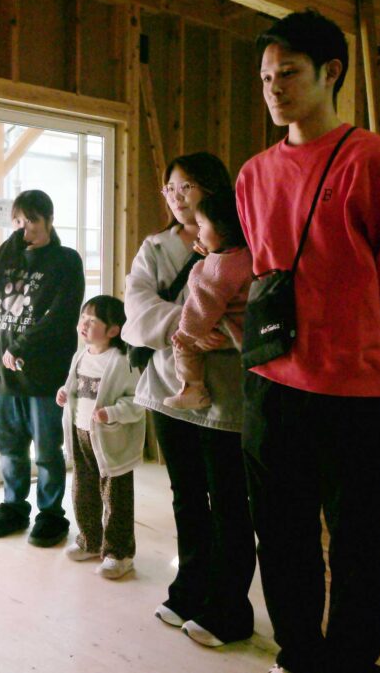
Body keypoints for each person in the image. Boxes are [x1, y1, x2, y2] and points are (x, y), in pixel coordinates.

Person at [237, 9, 380, 673]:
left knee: (356, 547)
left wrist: (369, 348)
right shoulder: (253, 175)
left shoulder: (378, 162)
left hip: (353, 394)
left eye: (288, 73)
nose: (273, 88)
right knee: (281, 537)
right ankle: (300, 655)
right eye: (266, 77)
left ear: (331, 72)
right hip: (270, 385)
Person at [122, 152, 256, 649]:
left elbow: (259, 303)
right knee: (186, 495)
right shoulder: (155, 247)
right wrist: (195, 327)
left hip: (227, 393)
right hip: (167, 387)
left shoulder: (246, 241)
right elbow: (137, 311)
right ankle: (190, 590)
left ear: (213, 189)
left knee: (229, 500)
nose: (177, 197)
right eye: (171, 189)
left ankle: (230, 608)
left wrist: (218, 326)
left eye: (188, 187)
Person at [0, 189, 85, 548]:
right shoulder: (11, 257)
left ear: (50, 220)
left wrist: (21, 346)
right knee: (9, 446)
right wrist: (13, 242)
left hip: (44, 373)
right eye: (18, 221)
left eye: (32, 221)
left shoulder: (66, 260)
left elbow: (62, 315)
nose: (25, 228)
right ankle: (13, 507)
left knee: (48, 450)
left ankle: (51, 514)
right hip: (4, 374)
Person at [56, 295, 144, 579]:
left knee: (116, 498)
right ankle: (90, 540)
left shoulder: (122, 361)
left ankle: (120, 554)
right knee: (83, 490)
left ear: (113, 330)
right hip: (81, 435)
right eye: (83, 318)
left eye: (93, 321)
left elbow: (138, 401)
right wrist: (63, 394)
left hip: (111, 443)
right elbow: (74, 389)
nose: (84, 324)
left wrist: (112, 413)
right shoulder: (80, 356)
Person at [162, 193, 252, 411]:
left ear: (221, 229)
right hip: (245, 325)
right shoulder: (246, 253)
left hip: (227, 329)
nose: (198, 233)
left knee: (182, 346)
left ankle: (193, 389)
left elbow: (202, 307)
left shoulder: (218, 268)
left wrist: (187, 334)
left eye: (202, 226)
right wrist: (211, 254)